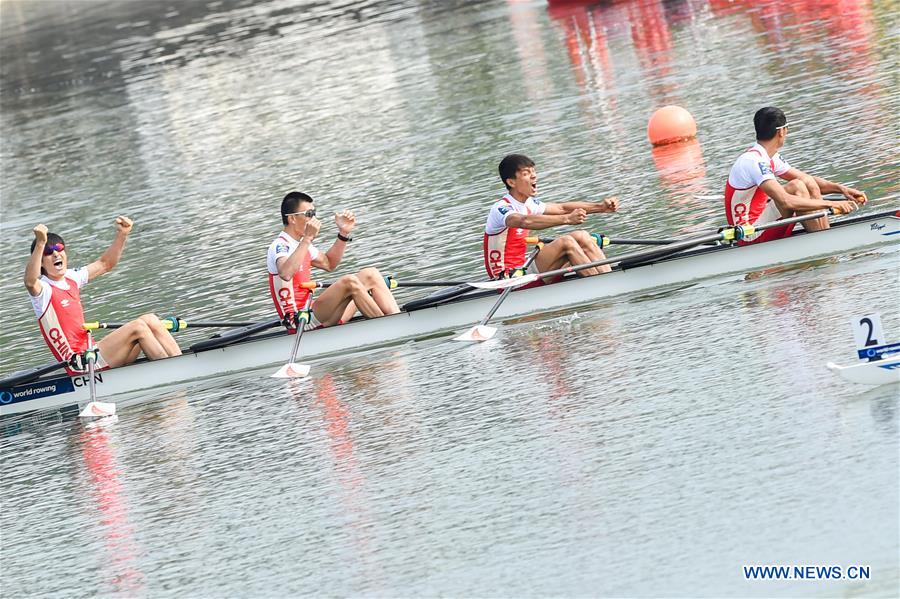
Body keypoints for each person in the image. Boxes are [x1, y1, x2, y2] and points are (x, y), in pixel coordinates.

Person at [25, 217, 182, 373]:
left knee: (150, 319)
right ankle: (172, 371)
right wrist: (40, 243)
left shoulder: (72, 277)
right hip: (80, 363)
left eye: (59, 249)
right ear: (40, 262)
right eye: (48, 252)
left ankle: (178, 360)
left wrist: (122, 235)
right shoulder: (43, 290)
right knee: (138, 327)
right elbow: (30, 282)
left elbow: (105, 264)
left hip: (94, 353)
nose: (56, 254)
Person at [724, 106, 866, 244]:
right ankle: (824, 243)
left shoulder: (768, 157)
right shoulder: (754, 161)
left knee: (807, 182)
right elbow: (786, 201)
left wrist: (841, 189)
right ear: (781, 131)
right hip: (749, 234)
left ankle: (824, 235)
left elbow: (808, 180)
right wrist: (833, 204)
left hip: (763, 222)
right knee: (796, 187)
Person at [267, 191, 400, 329]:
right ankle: (388, 328)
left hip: (317, 313)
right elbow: (286, 273)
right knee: (349, 281)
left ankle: (396, 319)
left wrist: (343, 234)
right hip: (300, 321)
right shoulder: (280, 245)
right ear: (292, 219)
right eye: (309, 214)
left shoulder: (302, 244)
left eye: (315, 213)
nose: (314, 219)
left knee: (370, 274)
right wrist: (307, 239)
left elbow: (329, 264)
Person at [483, 153, 620, 280]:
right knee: (566, 242)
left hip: (524, 268)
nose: (533, 176)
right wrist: (567, 219)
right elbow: (524, 221)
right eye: (526, 173)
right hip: (506, 278)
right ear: (511, 182)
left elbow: (562, 208)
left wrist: (600, 207)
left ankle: (608, 277)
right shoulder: (501, 208)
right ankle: (600, 283)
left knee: (582, 235)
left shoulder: (530, 203)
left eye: (533, 171)